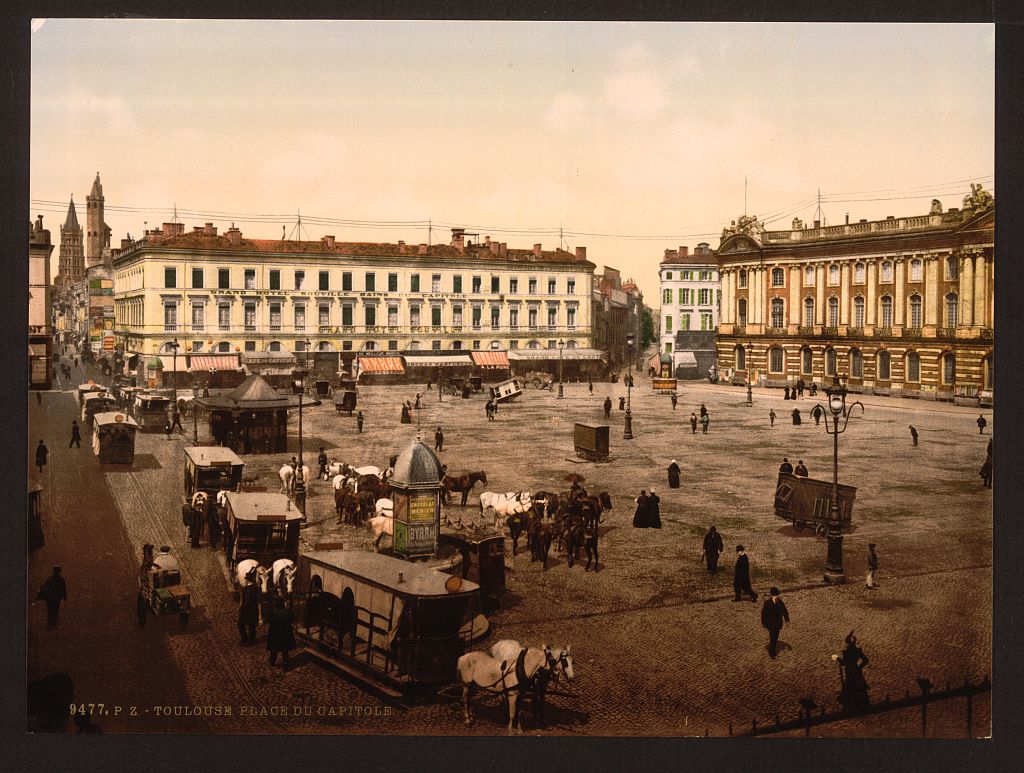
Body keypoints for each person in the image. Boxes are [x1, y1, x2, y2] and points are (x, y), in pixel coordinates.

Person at [835, 632, 870, 712]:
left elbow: (844, 663)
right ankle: (860, 702)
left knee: (851, 686)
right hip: (856, 671)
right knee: (858, 686)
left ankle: (853, 703)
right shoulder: (857, 651)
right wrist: (859, 667)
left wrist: (838, 659)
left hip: (850, 671)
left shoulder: (847, 652)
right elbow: (866, 660)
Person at [267, 597, 296, 671]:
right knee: (285, 651)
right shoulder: (287, 613)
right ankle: (285, 665)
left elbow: (268, 619)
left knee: (274, 650)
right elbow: (292, 619)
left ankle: (272, 661)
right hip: (285, 635)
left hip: (275, 635)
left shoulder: (273, 613)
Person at [760, 587, 790, 658]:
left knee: (775, 636)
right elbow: (764, 614)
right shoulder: (767, 603)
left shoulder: (780, 602)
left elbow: (784, 611)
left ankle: (772, 648)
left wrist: (787, 620)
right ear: (772, 595)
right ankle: (772, 651)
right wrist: (764, 623)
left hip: (778, 623)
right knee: (773, 636)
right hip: (770, 624)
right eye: (774, 595)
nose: (775, 596)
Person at [238, 576, 261, 645]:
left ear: (247, 580)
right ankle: (251, 640)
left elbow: (246, 601)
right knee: (252, 626)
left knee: (241, 624)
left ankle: (246, 639)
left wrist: (241, 608)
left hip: (247, 611)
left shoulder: (248, 589)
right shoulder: (255, 588)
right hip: (253, 610)